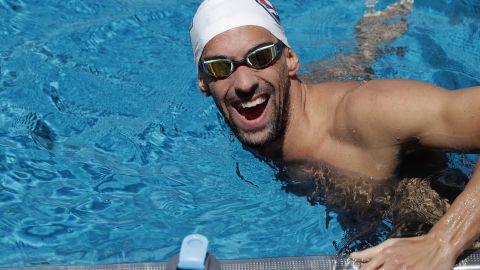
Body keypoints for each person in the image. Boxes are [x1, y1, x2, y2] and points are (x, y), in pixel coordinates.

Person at [189, 0, 480, 269]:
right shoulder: (258, 108)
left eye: (261, 57)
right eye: (219, 67)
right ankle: (369, 42)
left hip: (423, 193)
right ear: (203, 82)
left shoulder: (366, 113)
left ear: (290, 60)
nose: (243, 83)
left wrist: (445, 240)